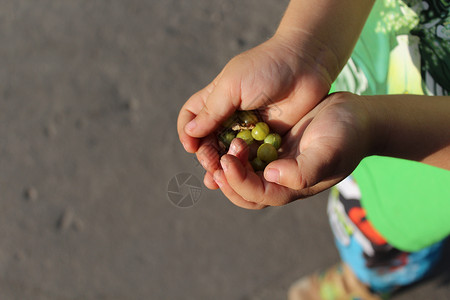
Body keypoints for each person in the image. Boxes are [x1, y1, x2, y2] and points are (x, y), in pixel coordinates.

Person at [177, 0, 450, 299]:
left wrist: (378, 128)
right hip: (347, 85)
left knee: (377, 246)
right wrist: (305, 48)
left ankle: (360, 285)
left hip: (422, 178)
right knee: (338, 183)